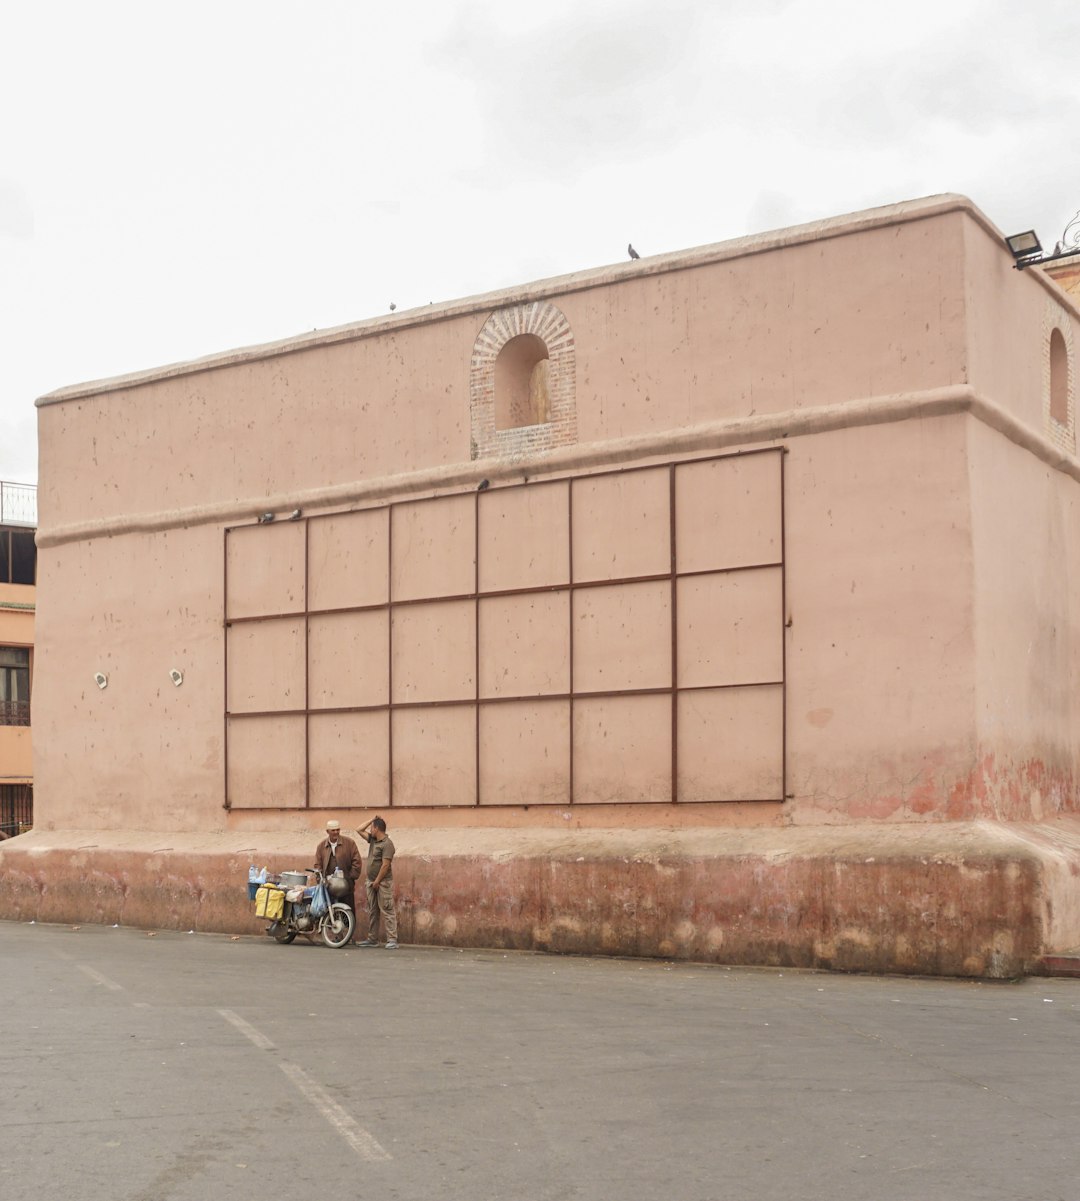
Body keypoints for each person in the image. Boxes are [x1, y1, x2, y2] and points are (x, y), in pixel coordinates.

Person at [355, 815, 397, 949]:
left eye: (372, 827)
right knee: (373, 910)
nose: (370, 830)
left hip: (383, 882)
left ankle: (392, 939)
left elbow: (385, 865)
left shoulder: (387, 844)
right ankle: (372, 939)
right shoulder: (373, 840)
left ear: (377, 829)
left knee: (387, 909)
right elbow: (359, 829)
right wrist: (371, 820)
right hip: (371, 882)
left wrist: (378, 881)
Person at [313, 819, 363, 932]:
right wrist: (320, 878)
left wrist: (350, 877)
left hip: (346, 884)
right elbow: (317, 865)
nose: (336, 832)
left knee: (348, 909)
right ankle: (334, 934)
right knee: (330, 910)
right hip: (329, 885)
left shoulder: (349, 843)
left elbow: (357, 862)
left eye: (337, 830)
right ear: (327, 831)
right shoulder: (321, 846)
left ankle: (349, 934)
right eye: (333, 830)